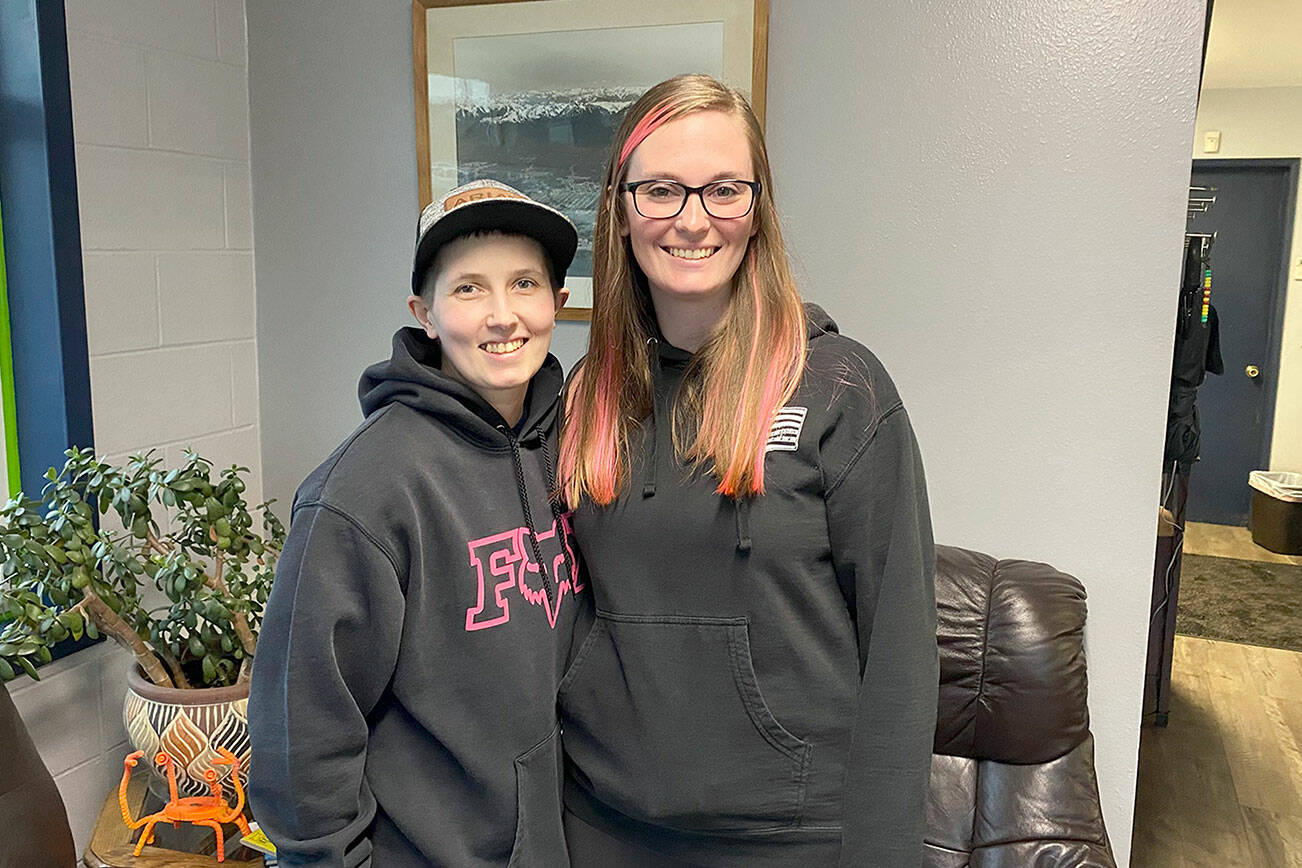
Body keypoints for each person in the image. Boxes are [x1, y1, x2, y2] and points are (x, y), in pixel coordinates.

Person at [556, 75, 939, 866]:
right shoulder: (586, 395)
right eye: (661, 190)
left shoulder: (841, 389)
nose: (693, 220)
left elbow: (901, 651)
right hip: (599, 825)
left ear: (757, 208)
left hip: (789, 837)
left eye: (724, 190)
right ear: (620, 210)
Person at [249, 179, 592, 867]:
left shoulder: (579, 445)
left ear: (558, 302)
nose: (503, 316)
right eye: (468, 289)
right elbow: (302, 736)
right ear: (425, 313)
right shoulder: (362, 492)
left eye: (524, 283)